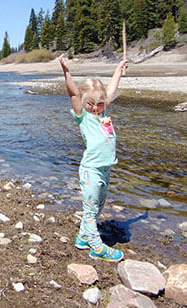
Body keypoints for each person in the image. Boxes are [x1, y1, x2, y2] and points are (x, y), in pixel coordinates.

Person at [59, 54, 128, 262]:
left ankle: (82, 238)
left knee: (98, 206)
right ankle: (96, 247)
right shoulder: (83, 115)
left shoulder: (103, 110)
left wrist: (118, 69)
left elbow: (111, 89)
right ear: (83, 101)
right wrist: (66, 69)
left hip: (106, 168)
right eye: (91, 103)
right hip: (91, 169)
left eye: (99, 103)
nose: (96, 107)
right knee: (89, 210)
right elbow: (72, 91)